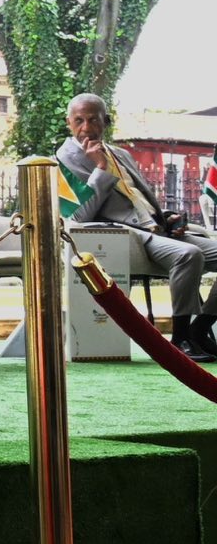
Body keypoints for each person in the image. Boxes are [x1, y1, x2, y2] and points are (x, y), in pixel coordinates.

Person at [59, 93, 217, 362]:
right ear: (69, 123)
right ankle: (180, 339)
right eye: (79, 120)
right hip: (128, 236)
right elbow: (79, 216)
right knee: (189, 255)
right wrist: (100, 169)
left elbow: (137, 200)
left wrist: (166, 217)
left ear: (105, 121)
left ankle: (199, 329)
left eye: (92, 120)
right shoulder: (66, 158)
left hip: (156, 228)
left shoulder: (120, 154)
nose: (86, 127)